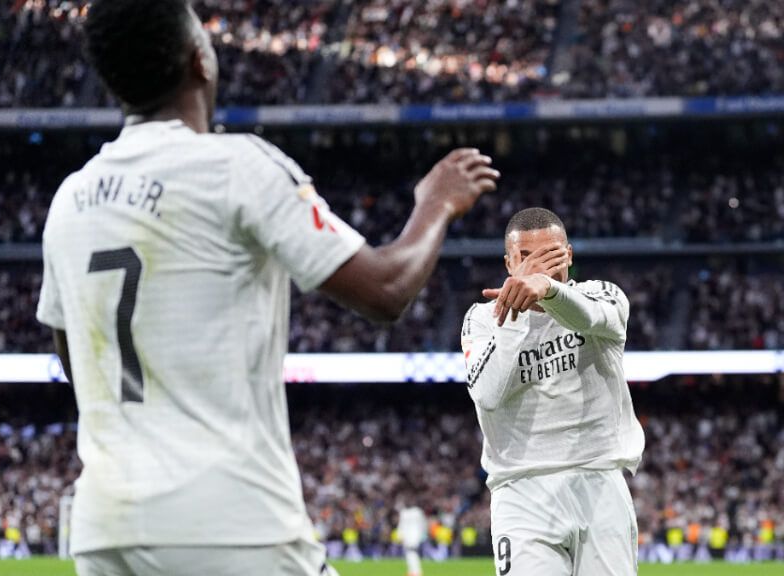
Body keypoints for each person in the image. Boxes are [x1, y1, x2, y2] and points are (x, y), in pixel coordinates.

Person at [36, 1, 499, 575]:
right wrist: (436, 203)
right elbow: (387, 289)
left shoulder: (70, 201)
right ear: (199, 59)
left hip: (104, 527)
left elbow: (79, 361)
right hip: (227, 520)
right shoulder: (236, 167)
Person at [460, 207, 644, 575]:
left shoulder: (603, 295)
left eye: (552, 254)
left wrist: (550, 291)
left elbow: (588, 318)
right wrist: (511, 314)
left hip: (600, 481)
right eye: (527, 258)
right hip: (521, 491)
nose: (539, 266)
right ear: (509, 263)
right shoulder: (480, 319)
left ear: (570, 255)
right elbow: (488, 394)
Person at [398, 504, 429, 576]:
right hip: (411, 537)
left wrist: (423, 534)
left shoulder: (414, 512)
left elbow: (422, 524)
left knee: (412, 553)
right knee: (410, 553)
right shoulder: (406, 512)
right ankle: (412, 571)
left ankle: (416, 572)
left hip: (413, 536)